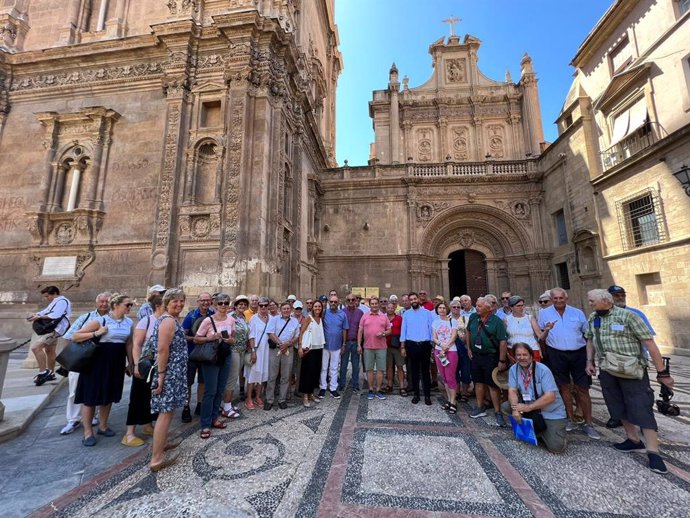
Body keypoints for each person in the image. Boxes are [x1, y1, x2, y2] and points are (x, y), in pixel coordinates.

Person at [585, 289, 673, 474]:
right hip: (608, 368)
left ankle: (653, 451)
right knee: (617, 405)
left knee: (641, 406)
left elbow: (649, 344)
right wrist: (590, 361)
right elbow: (590, 341)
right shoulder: (594, 318)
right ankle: (632, 439)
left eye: (592, 300)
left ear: (605, 300)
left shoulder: (629, 316)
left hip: (632, 370)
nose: (590, 303)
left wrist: (662, 373)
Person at [71, 293, 134, 447]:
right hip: (97, 361)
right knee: (91, 396)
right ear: (116, 305)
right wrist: (96, 333)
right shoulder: (101, 320)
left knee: (109, 394)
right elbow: (75, 336)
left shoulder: (129, 322)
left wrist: (131, 363)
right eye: (127, 304)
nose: (130, 307)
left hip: (116, 361)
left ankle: (103, 426)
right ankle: (87, 432)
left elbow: (129, 344)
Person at [538, 288, 599, 439]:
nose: (559, 301)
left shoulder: (577, 313)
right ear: (551, 299)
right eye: (555, 298)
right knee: (563, 387)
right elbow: (541, 337)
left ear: (566, 298)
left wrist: (590, 360)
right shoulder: (544, 314)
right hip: (556, 353)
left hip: (578, 352)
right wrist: (546, 331)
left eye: (561, 298)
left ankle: (588, 423)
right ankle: (570, 418)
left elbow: (588, 335)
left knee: (583, 388)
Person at [605, 285, 656, 428]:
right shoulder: (601, 316)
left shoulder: (636, 314)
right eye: (617, 295)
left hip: (634, 362)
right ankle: (619, 418)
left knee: (638, 395)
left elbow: (648, 339)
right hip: (611, 362)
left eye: (622, 295)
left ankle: (645, 424)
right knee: (615, 393)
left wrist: (646, 359)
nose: (620, 298)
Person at [59, 292, 111, 435]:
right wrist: (67, 361)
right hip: (81, 359)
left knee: (99, 389)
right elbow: (69, 336)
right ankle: (73, 419)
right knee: (74, 390)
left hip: (101, 362)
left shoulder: (115, 319)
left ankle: (93, 417)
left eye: (107, 301)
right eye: (101, 301)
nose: (104, 304)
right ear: (96, 302)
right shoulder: (86, 317)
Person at [502, 342, 567, 453]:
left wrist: (528, 408)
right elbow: (512, 390)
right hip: (530, 407)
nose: (521, 358)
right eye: (518, 355)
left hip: (549, 411)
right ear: (514, 356)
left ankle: (546, 431)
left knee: (556, 447)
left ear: (531, 356)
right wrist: (515, 409)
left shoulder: (543, 370)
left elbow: (550, 396)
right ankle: (533, 428)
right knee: (506, 406)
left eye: (525, 354)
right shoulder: (514, 369)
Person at [149, 288, 188, 471]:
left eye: (181, 301)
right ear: (166, 303)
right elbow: (162, 350)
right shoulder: (167, 322)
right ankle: (156, 459)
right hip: (169, 373)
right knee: (164, 414)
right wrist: (162, 375)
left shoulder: (171, 320)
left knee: (168, 412)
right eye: (175, 302)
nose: (179, 305)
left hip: (174, 372)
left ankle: (162, 444)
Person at [122, 294, 163, 446]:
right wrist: (137, 365)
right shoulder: (145, 321)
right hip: (145, 364)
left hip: (158, 364)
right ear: (158, 306)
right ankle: (129, 433)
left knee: (150, 396)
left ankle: (147, 425)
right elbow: (137, 344)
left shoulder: (165, 321)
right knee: (137, 397)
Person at [194, 293, 235, 439]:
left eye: (226, 303)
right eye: (220, 303)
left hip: (225, 355)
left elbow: (233, 338)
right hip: (211, 357)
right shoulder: (207, 320)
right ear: (215, 305)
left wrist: (229, 340)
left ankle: (214, 418)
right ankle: (205, 424)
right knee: (209, 391)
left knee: (220, 389)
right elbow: (197, 339)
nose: (223, 306)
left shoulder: (231, 319)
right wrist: (209, 338)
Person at [465, 296, 508, 426]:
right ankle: (480, 407)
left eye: (479, 306)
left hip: (491, 356)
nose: (476, 307)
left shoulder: (496, 321)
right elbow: (468, 332)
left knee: (493, 385)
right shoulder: (473, 318)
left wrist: (502, 359)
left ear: (488, 308)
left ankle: (498, 411)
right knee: (478, 382)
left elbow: (503, 341)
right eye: (476, 305)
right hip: (476, 356)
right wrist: (469, 348)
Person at [28, 285, 72, 386]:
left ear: (55, 294)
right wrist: (36, 315)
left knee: (36, 348)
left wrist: (38, 317)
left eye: (47, 296)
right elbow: (46, 311)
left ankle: (43, 372)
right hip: (53, 329)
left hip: (54, 329)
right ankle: (51, 373)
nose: (46, 298)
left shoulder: (61, 301)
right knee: (50, 350)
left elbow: (55, 315)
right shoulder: (55, 302)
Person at [181, 293, 214, 422]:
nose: (205, 303)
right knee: (188, 382)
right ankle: (186, 407)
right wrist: (194, 339)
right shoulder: (191, 316)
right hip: (192, 353)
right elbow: (184, 334)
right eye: (203, 300)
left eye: (208, 300)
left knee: (203, 381)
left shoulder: (212, 315)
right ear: (198, 301)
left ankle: (200, 405)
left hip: (206, 354)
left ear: (211, 301)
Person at [400, 292, 435, 405]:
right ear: (409, 302)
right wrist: (402, 346)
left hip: (425, 345)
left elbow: (431, 330)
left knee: (425, 371)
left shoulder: (427, 313)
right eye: (411, 299)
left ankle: (427, 395)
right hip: (412, 345)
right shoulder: (406, 314)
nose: (413, 301)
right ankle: (416, 394)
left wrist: (432, 345)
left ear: (418, 300)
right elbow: (403, 331)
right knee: (413, 371)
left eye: (415, 299)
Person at [266, 301, 300, 410]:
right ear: (281, 310)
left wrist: (288, 344)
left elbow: (297, 336)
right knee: (272, 376)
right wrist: (280, 344)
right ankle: (269, 400)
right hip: (276, 349)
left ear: (291, 310)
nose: (286, 310)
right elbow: (270, 333)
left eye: (288, 308)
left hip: (288, 351)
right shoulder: (274, 319)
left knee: (286, 376)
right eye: (284, 309)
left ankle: (282, 399)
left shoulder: (294, 321)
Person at [221, 295, 250, 419]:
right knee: (232, 378)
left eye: (244, 304)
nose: (242, 306)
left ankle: (225, 403)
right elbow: (225, 333)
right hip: (233, 350)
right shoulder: (230, 316)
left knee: (234, 377)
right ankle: (227, 407)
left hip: (242, 350)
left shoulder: (243, 317)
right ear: (235, 305)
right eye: (240, 304)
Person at [358, 297, 391, 400]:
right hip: (368, 347)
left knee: (381, 369)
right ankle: (371, 389)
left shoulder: (384, 317)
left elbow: (389, 330)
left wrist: (384, 333)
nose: (374, 305)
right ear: (370, 305)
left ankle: (378, 389)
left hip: (381, 347)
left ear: (378, 304)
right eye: (372, 304)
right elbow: (360, 331)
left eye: (376, 303)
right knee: (369, 369)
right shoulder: (365, 316)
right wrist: (359, 344)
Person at [432, 302, 459, 413]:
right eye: (440, 308)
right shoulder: (435, 322)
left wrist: (446, 347)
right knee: (444, 377)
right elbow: (434, 337)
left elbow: (454, 336)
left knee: (450, 376)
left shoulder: (453, 321)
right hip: (439, 351)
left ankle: (453, 401)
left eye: (444, 308)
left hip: (451, 351)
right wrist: (441, 345)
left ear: (447, 309)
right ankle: (448, 399)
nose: (442, 310)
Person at [320, 295, 348, 399]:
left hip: (337, 345)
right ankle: (322, 387)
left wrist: (344, 344)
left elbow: (344, 329)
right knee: (323, 368)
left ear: (338, 302)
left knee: (334, 368)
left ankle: (333, 388)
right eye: (331, 302)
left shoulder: (342, 314)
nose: (333, 304)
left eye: (335, 302)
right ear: (329, 303)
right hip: (325, 345)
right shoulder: (324, 313)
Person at [299, 300, 326, 407]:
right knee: (307, 373)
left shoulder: (320, 318)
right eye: (316, 306)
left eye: (319, 306)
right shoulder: (308, 318)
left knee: (315, 372)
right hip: (309, 349)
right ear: (312, 308)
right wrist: (300, 347)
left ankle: (311, 394)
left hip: (319, 348)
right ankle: (305, 395)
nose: (317, 308)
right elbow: (301, 332)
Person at [246, 297, 271, 409]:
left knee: (262, 374)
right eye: (261, 305)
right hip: (256, 350)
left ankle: (258, 396)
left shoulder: (271, 318)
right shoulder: (254, 319)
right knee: (252, 375)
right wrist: (253, 351)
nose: (263, 307)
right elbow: (251, 336)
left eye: (266, 305)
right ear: (258, 306)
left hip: (267, 351)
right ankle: (249, 399)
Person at [504, 295, 542, 361]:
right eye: (518, 306)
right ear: (511, 307)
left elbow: (540, 335)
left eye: (522, 305)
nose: (521, 308)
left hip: (531, 350)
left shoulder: (530, 318)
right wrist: (507, 353)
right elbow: (504, 339)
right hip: (513, 351)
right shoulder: (506, 320)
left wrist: (547, 330)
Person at [339, 294, 364, 393]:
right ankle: (342, 384)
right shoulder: (342, 312)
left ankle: (355, 384)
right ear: (346, 301)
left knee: (355, 365)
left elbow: (361, 329)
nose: (351, 301)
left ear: (356, 300)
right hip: (345, 342)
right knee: (343, 364)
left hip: (355, 342)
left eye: (353, 299)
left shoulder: (360, 313)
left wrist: (360, 344)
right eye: (348, 300)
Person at [450, 299, 471, 402]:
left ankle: (464, 392)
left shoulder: (465, 318)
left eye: (458, 307)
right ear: (451, 308)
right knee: (454, 370)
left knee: (465, 370)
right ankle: (457, 391)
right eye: (454, 307)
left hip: (463, 347)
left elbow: (468, 334)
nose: (456, 309)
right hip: (452, 348)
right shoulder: (448, 319)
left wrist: (468, 348)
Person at [385, 302, 406, 396]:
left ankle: (402, 386)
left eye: (391, 308)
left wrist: (403, 346)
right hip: (386, 346)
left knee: (400, 366)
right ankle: (389, 385)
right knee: (389, 367)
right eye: (388, 308)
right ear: (386, 309)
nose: (390, 309)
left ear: (394, 309)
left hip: (397, 346)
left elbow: (403, 332)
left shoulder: (399, 319)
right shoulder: (383, 318)